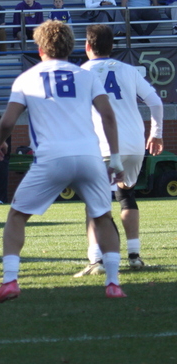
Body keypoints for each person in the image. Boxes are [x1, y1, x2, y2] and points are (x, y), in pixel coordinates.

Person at [0, 20, 126, 303]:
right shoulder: (86, 75)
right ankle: (113, 283)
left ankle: (10, 280)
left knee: (17, 216)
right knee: (102, 217)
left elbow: (9, 120)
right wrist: (117, 158)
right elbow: (108, 116)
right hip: (89, 156)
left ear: (40, 49)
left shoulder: (27, 78)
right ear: (71, 47)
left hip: (51, 157)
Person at [74, 24, 164, 278]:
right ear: (112, 47)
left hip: (102, 144)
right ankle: (134, 256)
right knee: (126, 195)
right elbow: (156, 102)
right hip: (135, 144)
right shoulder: (128, 70)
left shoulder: (82, 72)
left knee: (95, 203)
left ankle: (96, 259)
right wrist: (155, 134)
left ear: (87, 46)